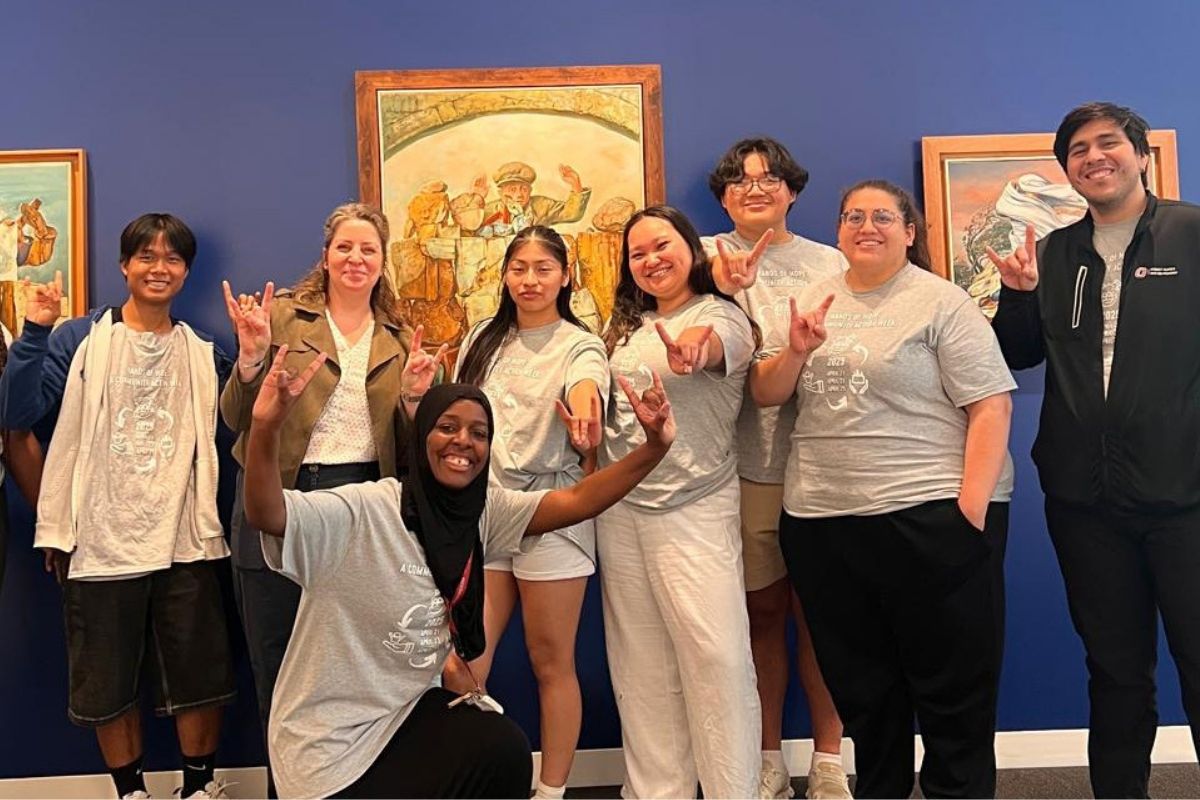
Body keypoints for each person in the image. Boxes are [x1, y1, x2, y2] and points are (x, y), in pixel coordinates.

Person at [241, 341, 676, 798]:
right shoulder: (365, 510)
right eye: (447, 427)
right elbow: (268, 514)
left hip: (400, 718)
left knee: (501, 747)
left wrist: (653, 449)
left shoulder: (484, 511)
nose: (463, 441)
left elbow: (575, 501)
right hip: (325, 751)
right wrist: (266, 428)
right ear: (422, 434)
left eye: (478, 432)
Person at [753, 181, 1015, 799]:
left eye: (881, 217)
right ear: (839, 229)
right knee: (865, 694)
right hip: (823, 522)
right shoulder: (811, 297)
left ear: (908, 231)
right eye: (852, 217)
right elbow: (767, 394)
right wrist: (794, 350)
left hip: (929, 516)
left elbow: (992, 406)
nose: (865, 226)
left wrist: (967, 513)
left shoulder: (942, 302)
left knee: (954, 697)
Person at [988, 101, 1200, 799]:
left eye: (1108, 143)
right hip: (1086, 502)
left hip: (1186, 499)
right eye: (1077, 149)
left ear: (1141, 154)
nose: (1093, 157)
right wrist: (1017, 297)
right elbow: (1017, 355)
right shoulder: (1054, 253)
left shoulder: (1193, 234)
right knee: (1113, 671)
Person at [0, 214, 235, 800]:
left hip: (184, 534)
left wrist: (252, 362)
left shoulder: (203, 353)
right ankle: (129, 792)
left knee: (199, 674)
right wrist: (33, 333)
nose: (160, 268)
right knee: (105, 679)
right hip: (100, 540)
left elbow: (239, 422)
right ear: (125, 266)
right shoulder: (79, 339)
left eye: (173, 258)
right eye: (146, 257)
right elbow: (18, 417)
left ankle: (200, 789)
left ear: (186, 271)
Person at [704, 136, 851, 800]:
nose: (754, 187)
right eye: (739, 179)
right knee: (760, 617)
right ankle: (767, 757)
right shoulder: (703, 258)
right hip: (741, 468)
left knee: (824, 617)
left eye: (769, 178)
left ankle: (828, 758)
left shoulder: (834, 263)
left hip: (827, 464)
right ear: (723, 195)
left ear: (792, 189)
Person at [599, 204, 762, 799]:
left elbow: (709, 345)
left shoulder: (722, 316)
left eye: (661, 246)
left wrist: (692, 351)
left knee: (715, 662)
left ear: (692, 250)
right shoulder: (627, 330)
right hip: (622, 511)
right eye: (637, 253)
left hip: (694, 508)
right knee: (641, 668)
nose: (650, 260)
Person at [444, 226, 608, 799]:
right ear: (505, 275)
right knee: (463, 665)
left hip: (552, 513)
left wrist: (586, 424)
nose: (530, 280)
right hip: (486, 513)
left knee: (550, 661)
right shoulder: (481, 341)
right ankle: (472, 780)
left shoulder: (580, 344)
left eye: (543, 268)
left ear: (565, 276)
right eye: (519, 268)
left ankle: (552, 789)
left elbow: (588, 391)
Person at [472, 162, 591, 236]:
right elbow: (469, 230)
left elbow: (572, 214)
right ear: (500, 193)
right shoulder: (488, 211)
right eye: (512, 190)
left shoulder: (542, 206)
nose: (519, 195)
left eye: (523, 189)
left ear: (530, 191)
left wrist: (576, 185)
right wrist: (476, 199)